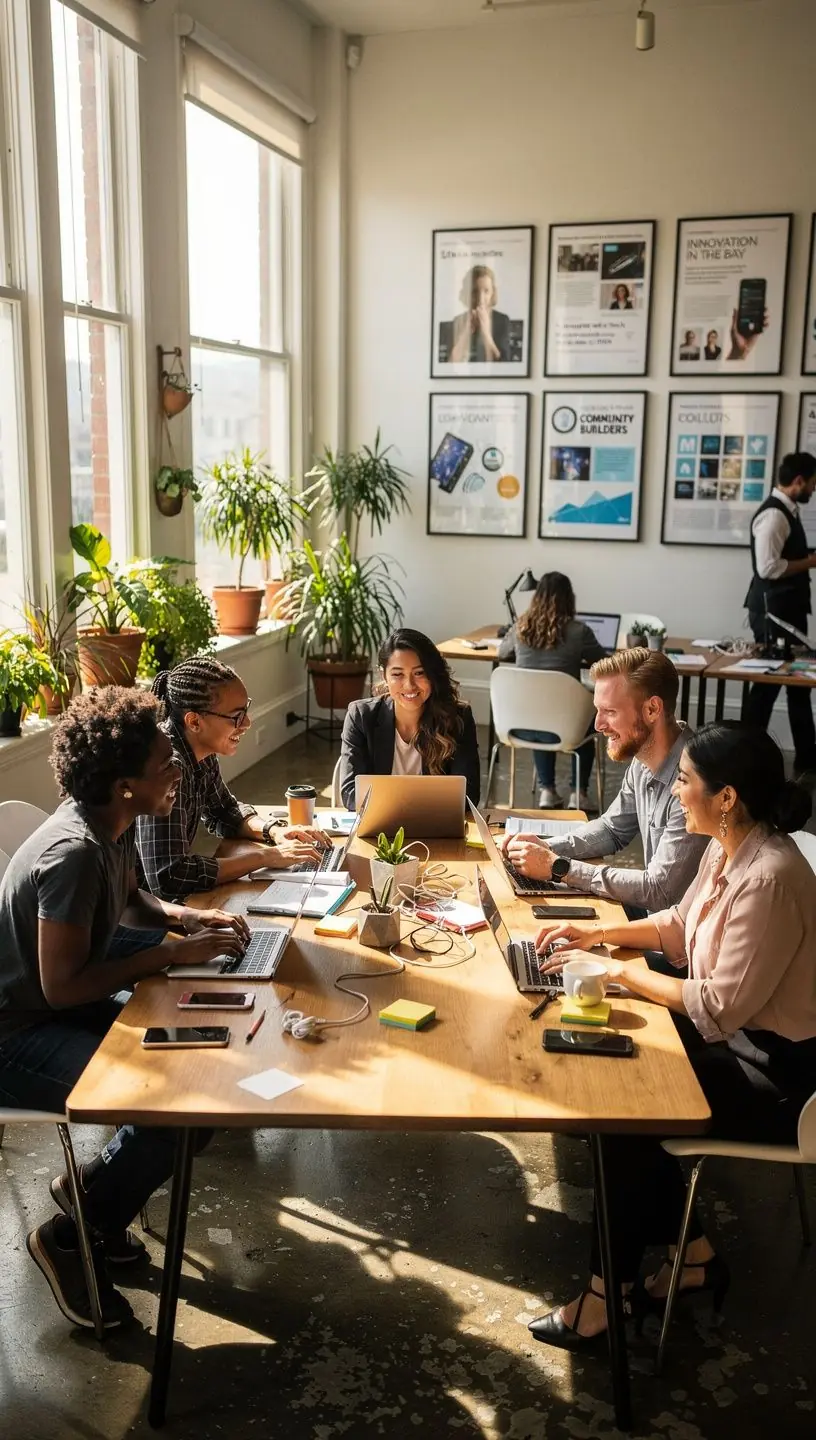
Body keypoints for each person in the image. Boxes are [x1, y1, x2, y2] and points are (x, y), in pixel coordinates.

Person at [529, 723, 816, 1353]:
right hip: (741, 1039)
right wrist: (598, 939)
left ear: (727, 797)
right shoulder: (726, 844)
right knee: (613, 1085)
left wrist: (621, 974)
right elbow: (679, 927)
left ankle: (606, 1300)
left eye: (686, 781)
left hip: (779, 1077)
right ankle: (694, 1259)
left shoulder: (768, 875)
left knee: (626, 1110)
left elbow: (716, 1007)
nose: (677, 792)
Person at [0, 687, 250, 1330]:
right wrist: (167, 957)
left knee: (204, 1075)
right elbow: (62, 986)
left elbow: (139, 901)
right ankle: (69, 1236)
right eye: (165, 765)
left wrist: (191, 919)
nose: (177, 772)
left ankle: (94, 1201)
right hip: (17, 1033)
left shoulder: (111, 824)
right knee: (174, 1108)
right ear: (123, 784)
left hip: (48, 1010)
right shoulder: (76, 854)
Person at [500, 649, 708, 912]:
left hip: (675, 942)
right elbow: (613, 829)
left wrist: (558, 866)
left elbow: (659, 891)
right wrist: (545, 848)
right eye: (598, 710)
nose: (598, 724)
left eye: (609, 711)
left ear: (652, 709)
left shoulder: (694, 782)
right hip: (654, 917)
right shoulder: (644, 757)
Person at [136, 659, 325, 901]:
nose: (247, 723)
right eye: (236, 716)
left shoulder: (201, 751)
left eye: (245, 710)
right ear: (194, 721)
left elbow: (224, 811)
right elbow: (171, 878)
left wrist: (275, 831)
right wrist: (265, 857)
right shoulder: (168, 769)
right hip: (137, 918)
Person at [497, 572, 607, 809]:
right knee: (587, 719)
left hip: (522, 724)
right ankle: (579, 794)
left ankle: (547, 790)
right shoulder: (579, 632)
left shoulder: (521, 627)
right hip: (568, 728)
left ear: (536, 597)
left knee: (541, 713)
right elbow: (602, 662)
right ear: (569, 599)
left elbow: (501, 653)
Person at [339, 628, 480, 811]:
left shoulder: (458, 718)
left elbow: (468, 796)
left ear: (432, 674)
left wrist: (398, 804)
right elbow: (350, 794)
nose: (409, 685)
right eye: (398, 674)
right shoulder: (361, 716)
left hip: (435, 829)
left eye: (419, 673)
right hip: (380, 830)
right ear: (384, 676)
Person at [743, 452, 816, 775]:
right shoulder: (774, 516)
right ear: (799, 481)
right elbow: (768, 568)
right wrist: (811, 562)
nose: (814, 489)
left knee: (797, 684)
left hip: (787, 612)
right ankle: (740, 752)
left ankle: (806, 760)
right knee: (767, 686)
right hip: (775, 615)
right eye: (813, 483)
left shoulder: (787, 511)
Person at [449, 265, 511, 364]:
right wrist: (466, 332)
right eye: (475, 291)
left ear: (492, 293)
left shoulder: (502, 320)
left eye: (486, 291)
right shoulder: (458, 321)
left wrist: (486, 332)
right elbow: (450, 364)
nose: (481, 299)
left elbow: (503, 364)